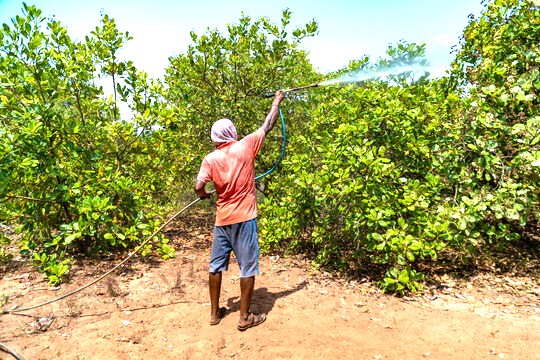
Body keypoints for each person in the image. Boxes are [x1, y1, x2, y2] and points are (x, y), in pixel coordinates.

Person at [194, 90, 285, 331]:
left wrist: (204, 195)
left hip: (222, 220)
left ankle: (215, 314)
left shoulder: (210, 159)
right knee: (248, 268)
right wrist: (276, 101)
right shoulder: (245, 146)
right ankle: (244, 318)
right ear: (231, 133)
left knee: (216, 266)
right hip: (245, 219)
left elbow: (198, 186)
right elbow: (267, 125)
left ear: (215, 137)